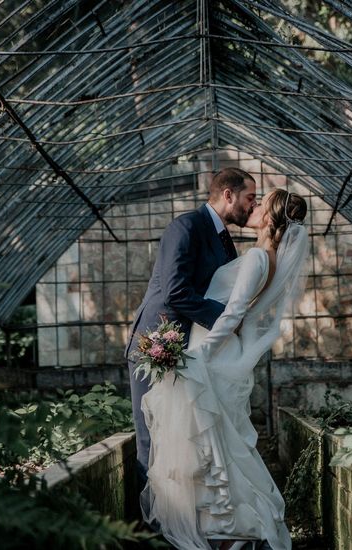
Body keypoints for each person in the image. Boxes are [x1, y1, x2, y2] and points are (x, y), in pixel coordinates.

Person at [141, 188, 310, 550]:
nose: (254, 206)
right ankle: (222, 527)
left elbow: (233, 313)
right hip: (219, 352)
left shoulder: (257, 259)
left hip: (212, 354)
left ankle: (229, 529)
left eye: (260, 203)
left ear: (269, 217)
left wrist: (201, 356)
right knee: (216, 442)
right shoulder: (268, 260)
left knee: (211, 443)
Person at [125, 167, 258, 484]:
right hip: (158, 345)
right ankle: (151, 526)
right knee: (152, 437)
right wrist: (227, 320)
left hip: (193, 352)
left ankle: (178, 519)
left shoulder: (226, 242)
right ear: (228, 195)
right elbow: (176, 291)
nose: (253, 206)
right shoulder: (185, 227)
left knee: (181, 441)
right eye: (250, 198)